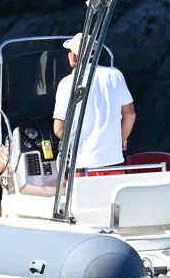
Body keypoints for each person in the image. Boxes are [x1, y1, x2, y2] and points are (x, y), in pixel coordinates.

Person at [52, 32, 136, 176]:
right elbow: (130, 114)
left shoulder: (67, 84)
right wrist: (116, 142)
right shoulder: (115, 75)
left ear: (73, 57)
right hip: (114, 162)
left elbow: (59, 129)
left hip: (83, 164)